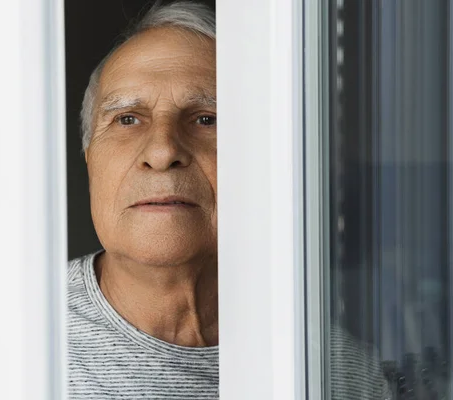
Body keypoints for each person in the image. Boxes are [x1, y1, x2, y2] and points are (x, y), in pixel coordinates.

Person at [68, 2, 391, 399]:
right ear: (90, 159)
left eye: (207, 119)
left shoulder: (333, 370)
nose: (162, 150)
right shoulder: (8, 336)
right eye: (127, 119)